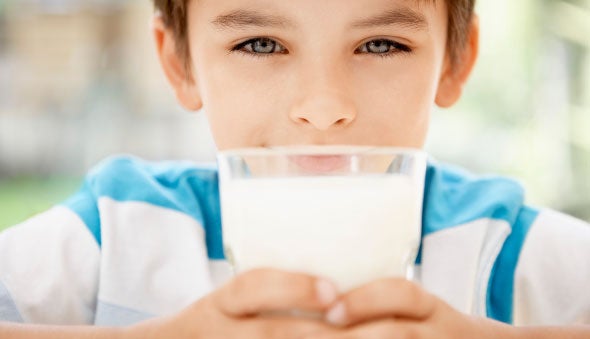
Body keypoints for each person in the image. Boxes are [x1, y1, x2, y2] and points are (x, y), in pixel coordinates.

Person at [1, 0, 589, 337]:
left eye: (381, 45)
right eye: (259, 44)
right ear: (179, 62)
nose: (324, 107)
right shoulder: (118, 233)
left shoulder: (504, 249)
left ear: (454, 62)